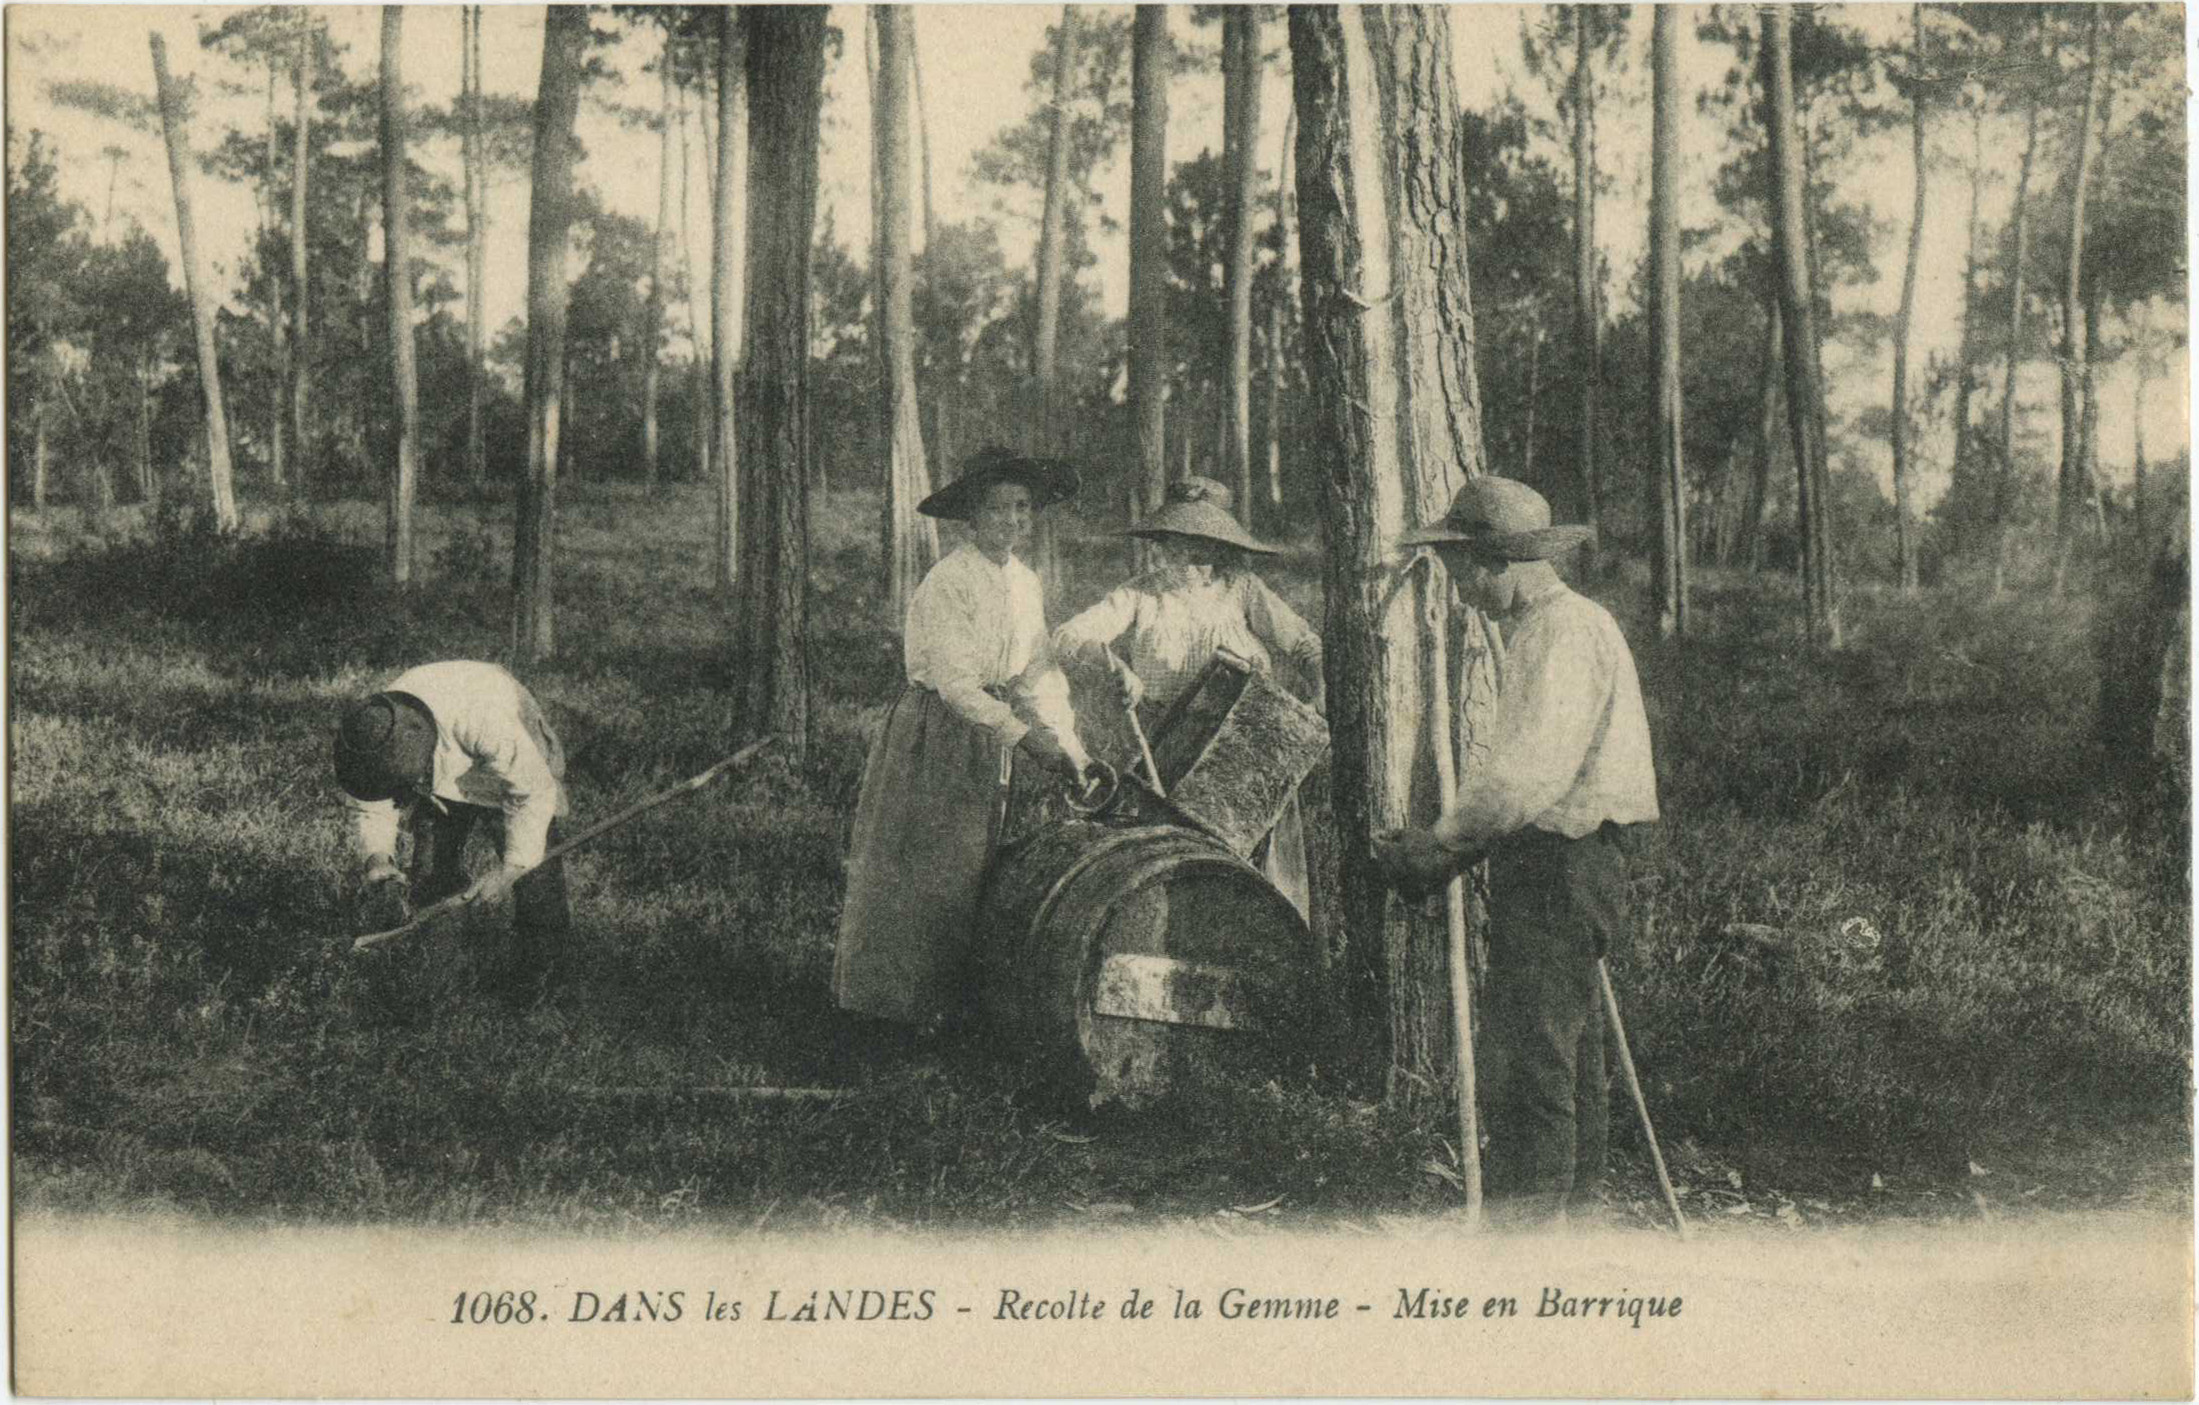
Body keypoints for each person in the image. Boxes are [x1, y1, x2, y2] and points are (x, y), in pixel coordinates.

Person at [1371, 476, 1659, 1225]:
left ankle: (1516, 1245)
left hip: (1564, 861)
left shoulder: (1562, 634)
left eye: (1463, 571)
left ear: (1499, 562)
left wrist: (1436, 847)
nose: (1462, 593)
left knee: (1530, 1061)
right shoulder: (1554, 629)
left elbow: (1524, 775)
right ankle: (1574, 1222)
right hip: (1561, 859)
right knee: (1570, 1053)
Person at [834, 446, 1095, 1032]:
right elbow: (954, 681)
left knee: (985, 870)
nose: (1011, 521)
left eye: (1022, 508)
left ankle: (960, 1007)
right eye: (998, 509)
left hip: (993, 734)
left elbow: (1036, 673)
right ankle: (897, 1010)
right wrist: (1024, 737)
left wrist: (1069, 747)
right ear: (971, 519)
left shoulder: (1026, 582)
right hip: (939, 732)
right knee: (930, 866)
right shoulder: (950, 579)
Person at [1053, 476, 1323, 918]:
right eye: (1176, 543)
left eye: (1200, 546)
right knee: (1180, 872)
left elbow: (1306, 645)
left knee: (1264, 872)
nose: (1186, 558)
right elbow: (1068, 635)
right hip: (1171, 749)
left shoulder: (1244, 590)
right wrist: (1111, 664)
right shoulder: (1141, 595)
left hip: (1250, 750)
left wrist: (1317, 696)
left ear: (1220, 547)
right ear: (1161, 542)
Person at [333, 660, 572, 1004]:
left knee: (537, 879)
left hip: (512, 770)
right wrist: (378, 859)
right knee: (431, 872)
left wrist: (510, 871)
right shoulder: (374, 733)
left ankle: (544, 990)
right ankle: (440, 977)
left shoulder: (484, 717)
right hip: (440, 768)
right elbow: (369, 800)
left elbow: (532, 791)